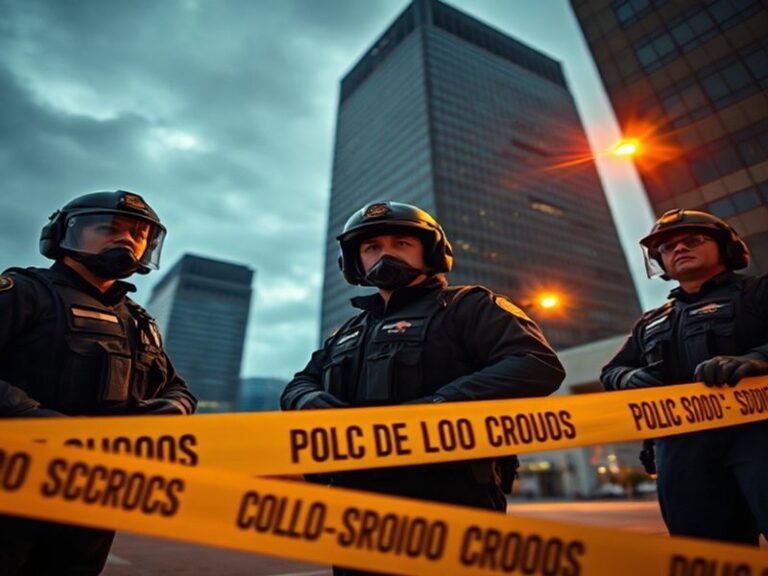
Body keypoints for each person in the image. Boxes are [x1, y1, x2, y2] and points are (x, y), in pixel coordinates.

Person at [282, 201, 565, 575]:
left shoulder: (468, 305)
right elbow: (299, 382)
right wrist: (311, 400)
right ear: (356, 262)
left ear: (430, 251)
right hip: (356, 508)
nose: (385, 254)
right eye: (372, 248)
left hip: (451, 496)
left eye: (401, 243)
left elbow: (536, 363)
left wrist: (437, 406)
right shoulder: (347, 331)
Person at [0, 190, 197, 574]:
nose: (127, 240)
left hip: (95, 495)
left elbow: (178, 387)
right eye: (111, 227)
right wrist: (37, 420)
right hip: (14, 489)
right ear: (63, 234)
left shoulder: (139, 321)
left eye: (139, 235)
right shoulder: (23, 291)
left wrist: (169, 412)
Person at [601, 208, 768, 546]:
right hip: (680, 448)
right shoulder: (650, 321)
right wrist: (629, 378)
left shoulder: (757, 293)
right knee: (704, 554)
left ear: (726, 247)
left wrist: (756, 359)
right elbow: (610, 372)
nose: (679, 249)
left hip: (758, 435)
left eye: (693, 240)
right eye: (667, 247)